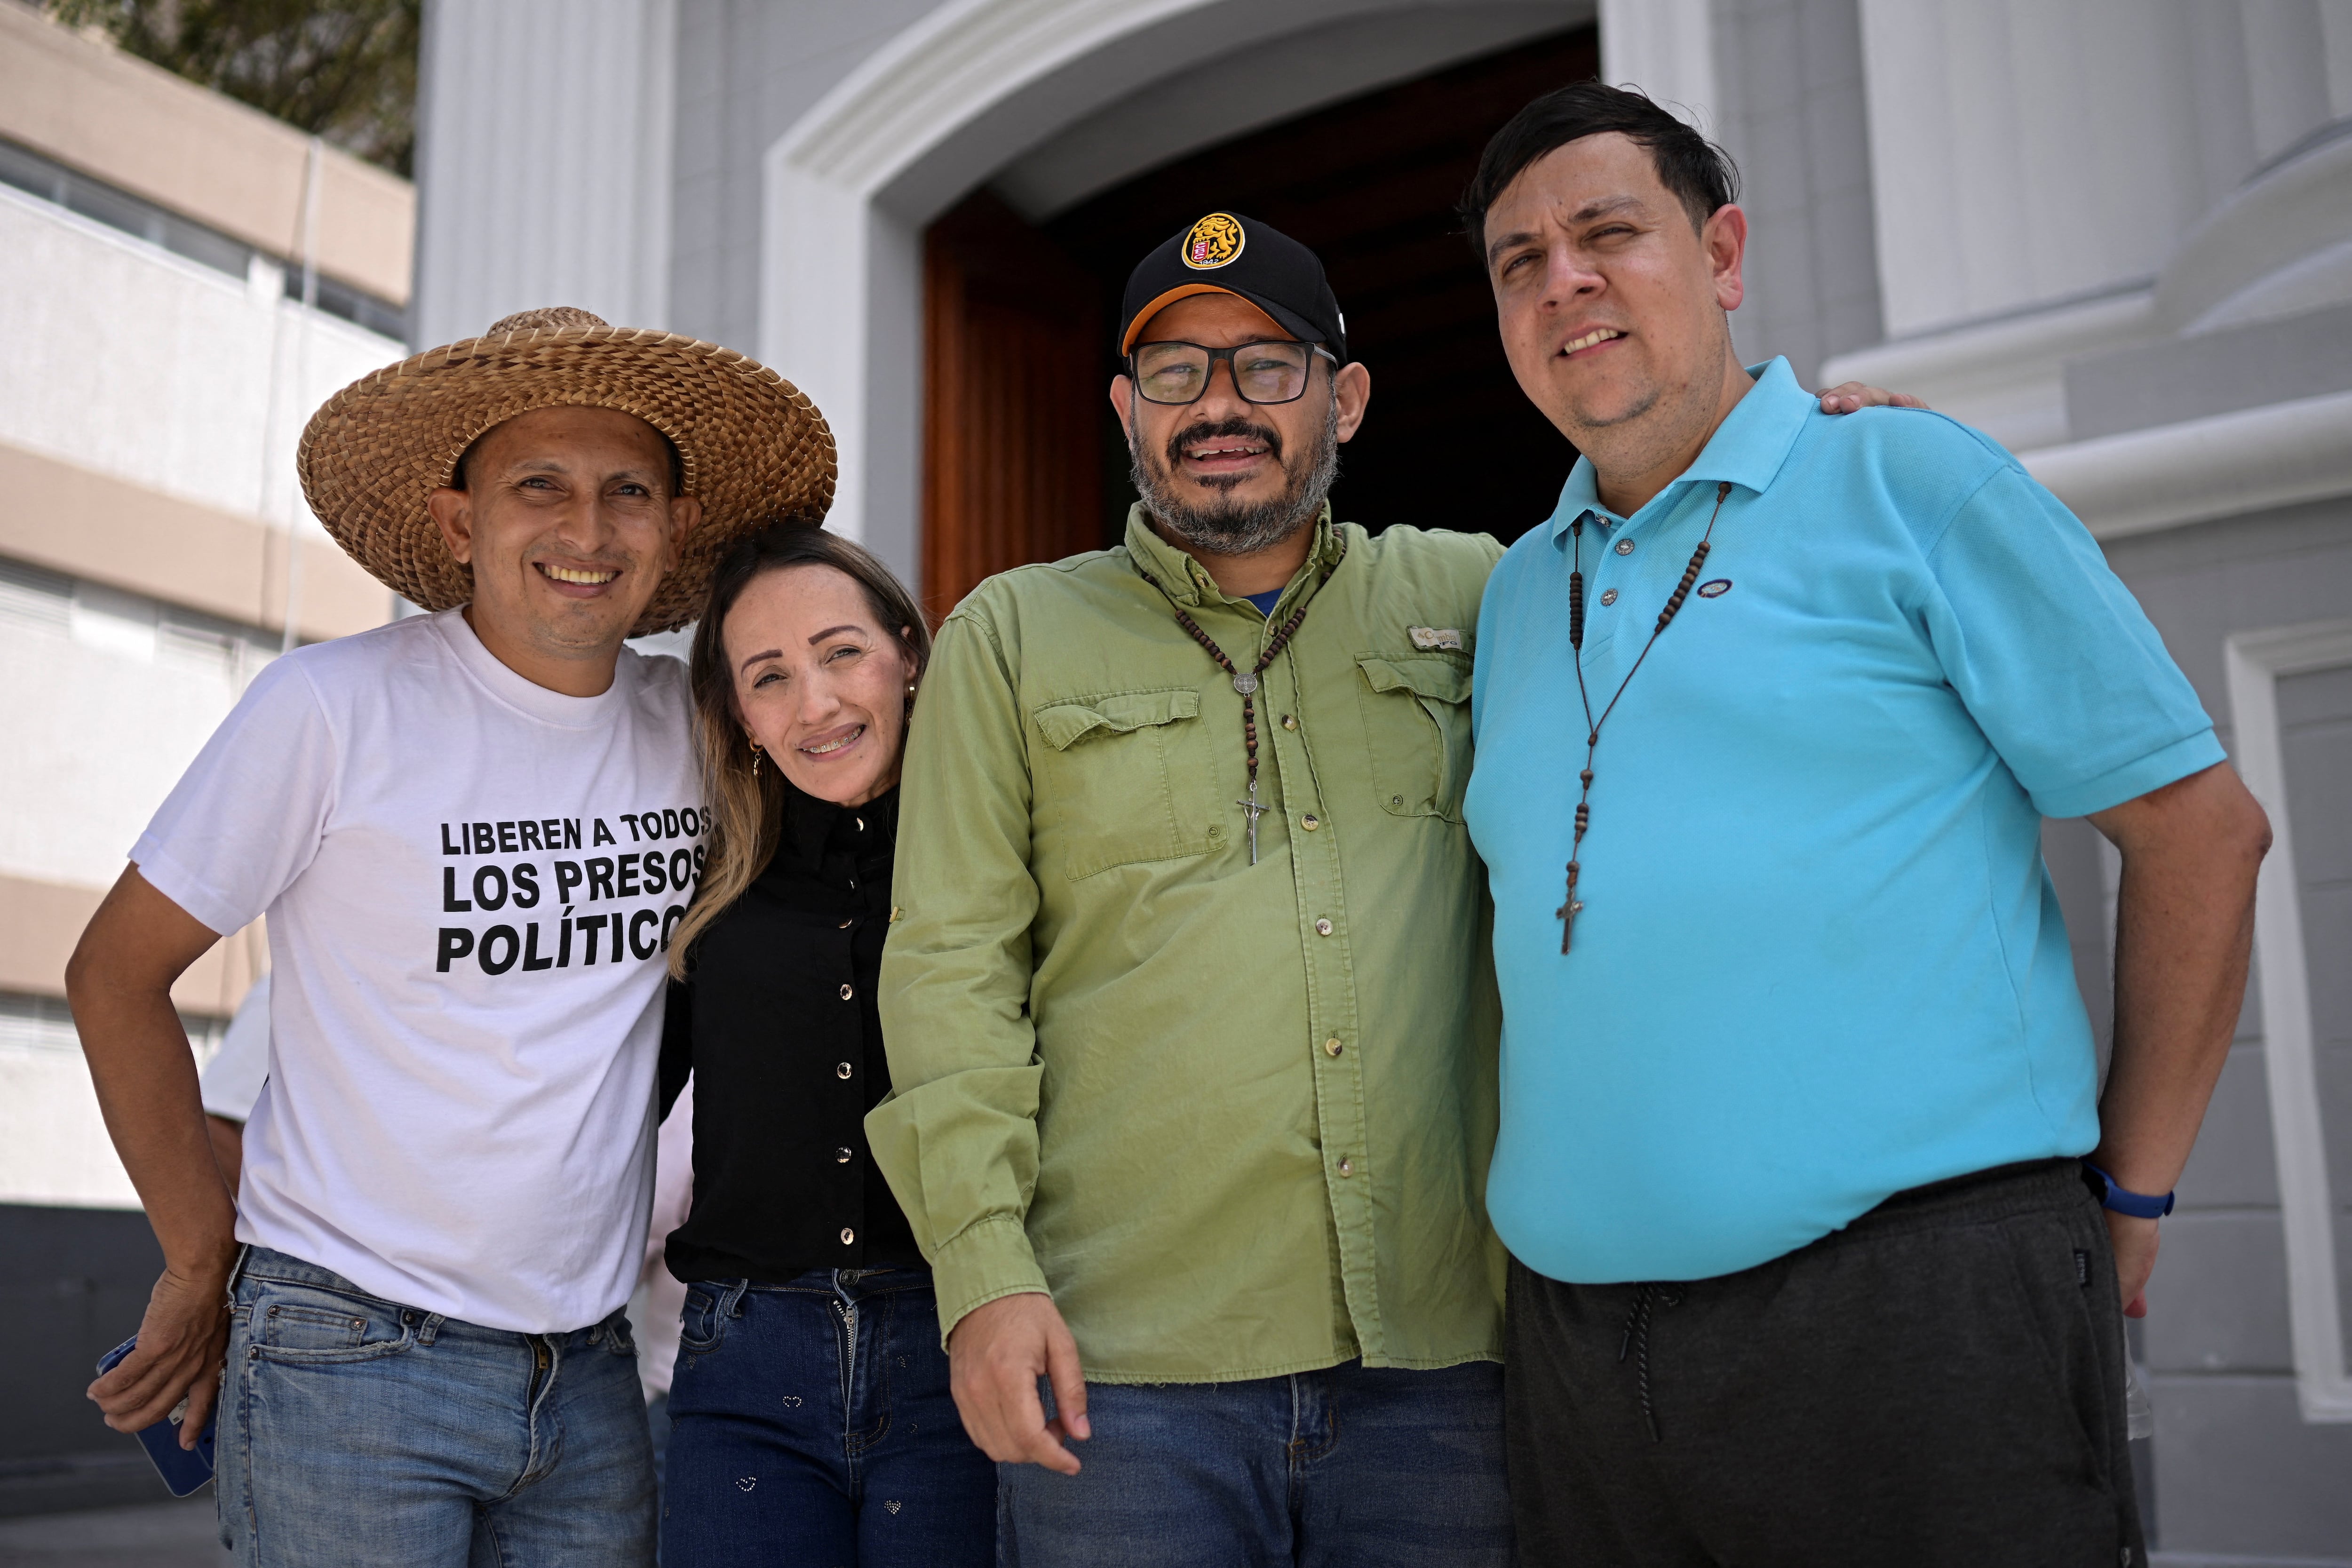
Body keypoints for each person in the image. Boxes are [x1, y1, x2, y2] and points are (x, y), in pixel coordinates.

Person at [867, 213, 1907, 1566]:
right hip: (1123, 1371)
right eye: (1176, 374)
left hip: (1443, 1364)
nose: (1221, 406)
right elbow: (950, 968)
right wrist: (984, 1274)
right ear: (1127, 410)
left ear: (1345, 398)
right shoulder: (1008, 635)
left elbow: (1704, 631)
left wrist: (1839, 475)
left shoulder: (1492, 591)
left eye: (1268, 366)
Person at [1456, 84, 2271, 1566]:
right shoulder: (1513, 592)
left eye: (1606, 233)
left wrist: (2134, 1189)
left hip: (1916, 1316)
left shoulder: (1910, 480)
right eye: (1520, 262)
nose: (1563, 281)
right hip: (1580, 1357)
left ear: (1724, 252)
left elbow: (2202, 831)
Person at [66, 306, 834, 1568]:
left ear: (678, 530)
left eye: (628, 491)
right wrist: (200, 1257)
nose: (587, 530)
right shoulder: (330, 707)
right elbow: (113, 970)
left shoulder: (704, 729)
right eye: (541, 486)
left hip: (590, 1370)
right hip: (347, 1351)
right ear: (457, 522)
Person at [655, 525, 993, 1565]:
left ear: (907, 653)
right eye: (770, 676)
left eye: (842, 651)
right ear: (741, 719)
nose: (817, 703)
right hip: (744, 1366)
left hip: (959, 1346)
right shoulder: (705, 897)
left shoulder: (1003, 870)